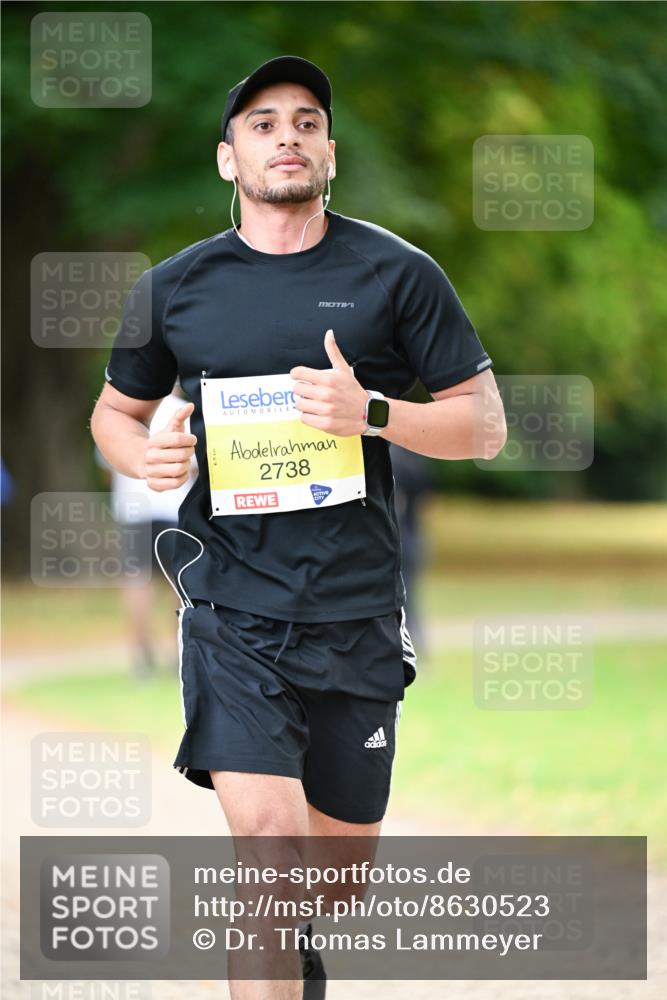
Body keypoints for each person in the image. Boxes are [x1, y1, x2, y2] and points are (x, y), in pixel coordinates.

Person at [90, 55, 506, 1000]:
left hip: (355, 610)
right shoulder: (174, 287)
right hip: (231, 608)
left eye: (308, 122)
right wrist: (140, 457)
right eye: (265, 123)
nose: (288, 135)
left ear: (330, 152)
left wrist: (371, 414)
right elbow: (113, 413)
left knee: (335, 879)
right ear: (228, 159)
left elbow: (483, 425)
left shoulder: (398, 273)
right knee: (268, 857)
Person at [95, 387, 197, 678]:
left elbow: (108, 465)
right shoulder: (183, 410)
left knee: (137, 581)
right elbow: (195, 468)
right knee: (178, 584)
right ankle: (177, 651)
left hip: (133, 509)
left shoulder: (121, 413)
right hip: (174, 508)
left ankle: (141, 656)